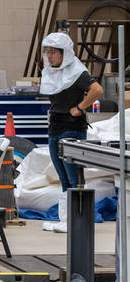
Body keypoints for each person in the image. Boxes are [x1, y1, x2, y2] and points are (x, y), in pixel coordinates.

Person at [39, 32, 103, 233]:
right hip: (55, 128)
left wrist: (80, 107)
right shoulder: (51, 71)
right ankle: (66, 220)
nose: (49, 56)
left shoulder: (77, 71)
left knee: (74, 178)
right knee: (63, 178)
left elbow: (97, 90)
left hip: (72, 129)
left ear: (64, 53)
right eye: (47, 52)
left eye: (53, 52)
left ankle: (76, 220)